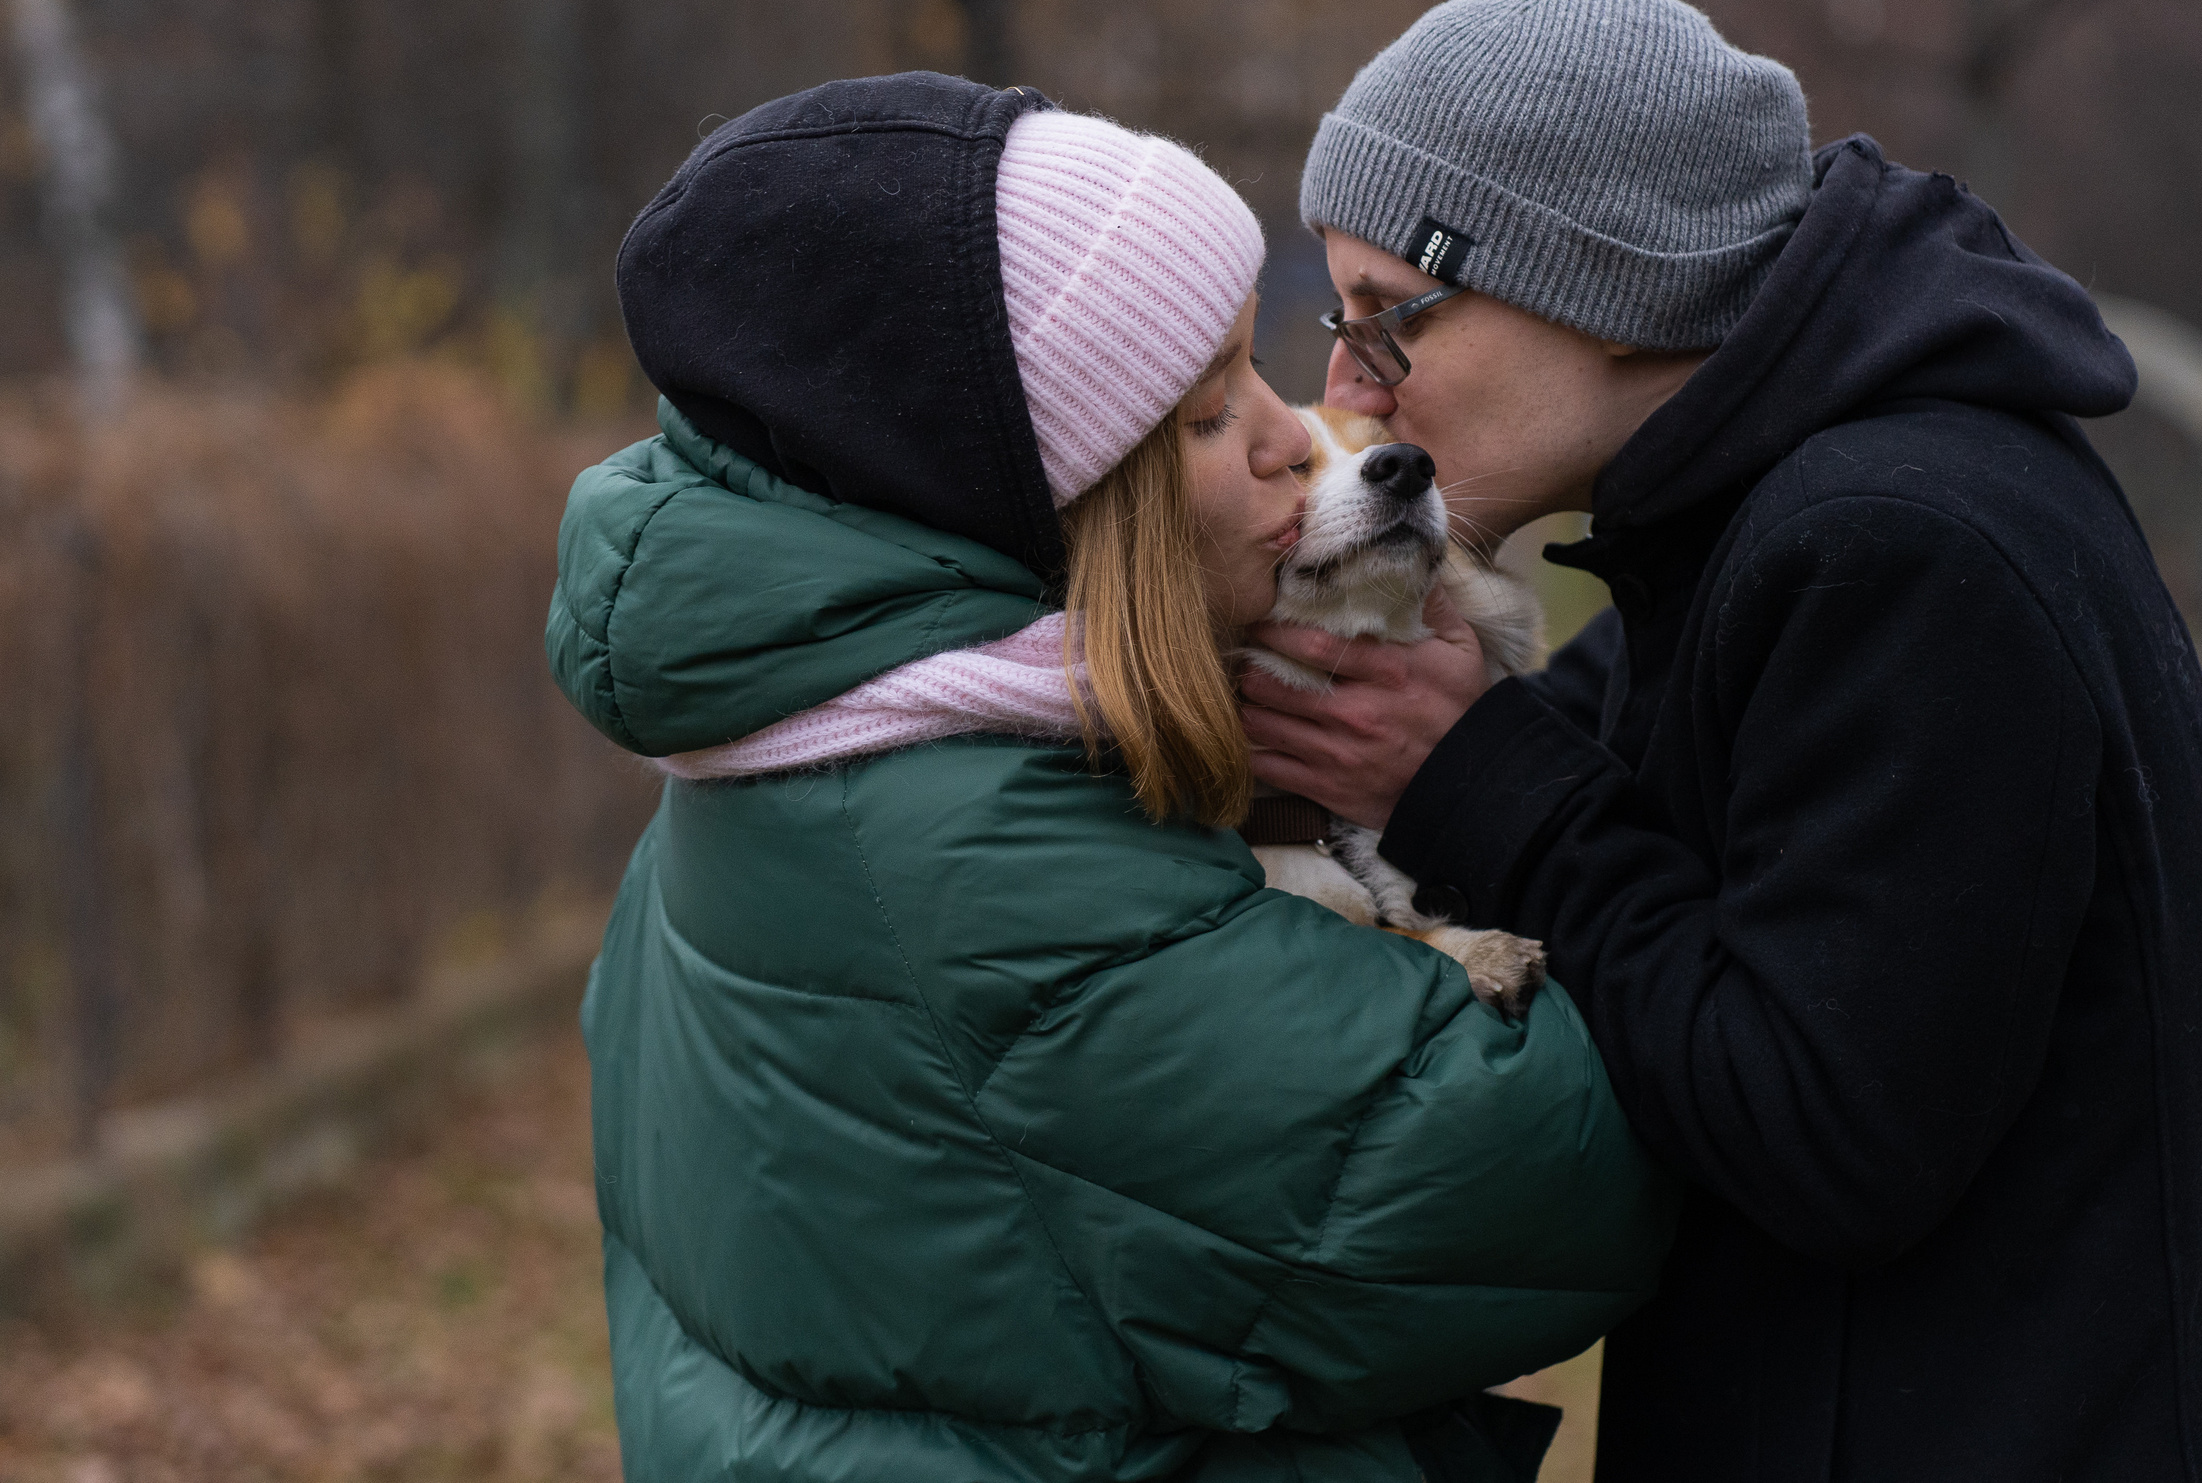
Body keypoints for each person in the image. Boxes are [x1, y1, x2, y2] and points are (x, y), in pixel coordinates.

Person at [1242, 0, 2202, 1481]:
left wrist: (1472, 777)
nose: (1346, 386)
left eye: (1390, 320)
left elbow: (1828, 1130)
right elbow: (1558, 759)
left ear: (1603, 282)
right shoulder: (1752, 522)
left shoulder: (1899, 543)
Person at [547, 72, 1676, 1483]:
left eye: (1259, 368)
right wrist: (1499, 795)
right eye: (1208, 417)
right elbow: (1549, 1194)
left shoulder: (799, 733)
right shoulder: (990, 850)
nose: (1287, 435)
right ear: (1054, 499)